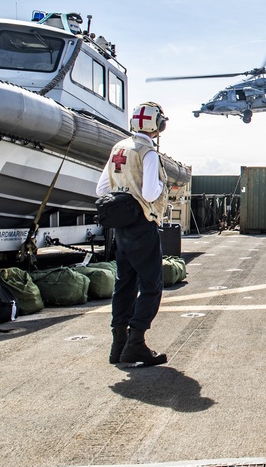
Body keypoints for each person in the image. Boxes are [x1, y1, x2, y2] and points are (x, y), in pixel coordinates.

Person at [96, 102, 170, 367]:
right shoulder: (148, 153)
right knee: (151, 285)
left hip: (122, 228)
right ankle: (136, 343)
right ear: (157, 125)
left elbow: (102, 188)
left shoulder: (118, 148)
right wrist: (162, 185)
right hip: (142, 224)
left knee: (123, 284)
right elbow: (150, 194)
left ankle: (118, 345)